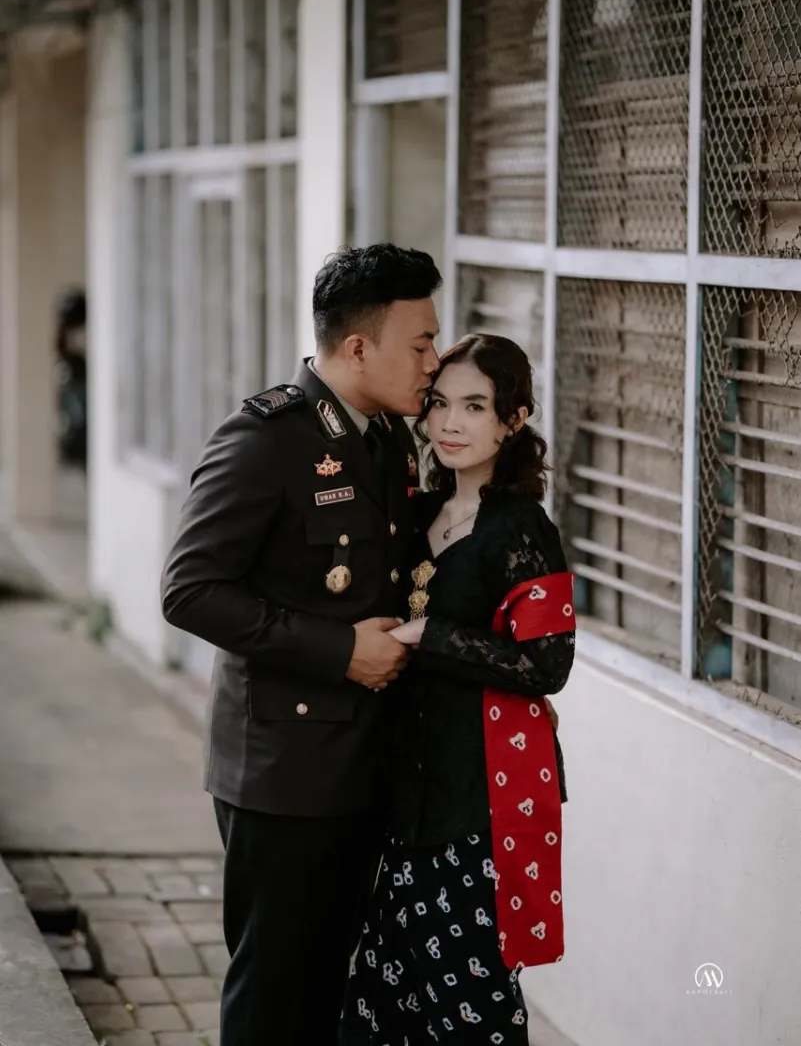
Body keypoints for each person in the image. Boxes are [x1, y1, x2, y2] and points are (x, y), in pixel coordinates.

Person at [160, 243, 442, 1046]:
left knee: (326, 989)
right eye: (420, 343)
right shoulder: (267, 439)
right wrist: (338, 650)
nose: (432, 360)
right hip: (283, 773)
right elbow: (189, 591)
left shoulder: (387, 436)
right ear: (358, 347)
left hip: (363, 763)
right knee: (274, 994)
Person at [341, 333, 575, 1045]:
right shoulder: (420, 514)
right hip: (406, 785)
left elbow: (548, 666)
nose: (449, 423)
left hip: (480, 796)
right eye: (440, 403)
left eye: (475, 406)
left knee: (468, 994)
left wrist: (432, 635)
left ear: (513, 419)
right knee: (388, 990)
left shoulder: (523, 531)